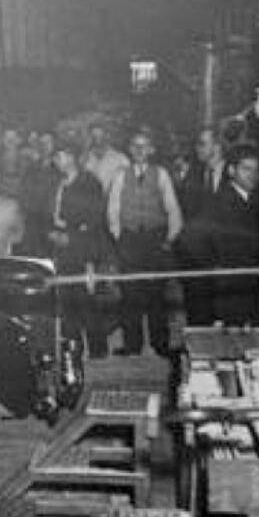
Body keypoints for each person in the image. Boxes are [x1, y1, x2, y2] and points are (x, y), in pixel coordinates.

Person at [107, 130, 183, 355]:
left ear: (151, 150)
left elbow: (172, 208)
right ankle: (132, 344)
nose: (140, 150)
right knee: (130, 294)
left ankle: (161, 343)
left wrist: (169, 238)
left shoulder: (161, 174)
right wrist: (119, 236)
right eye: (135, 146)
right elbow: (113, 209)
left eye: (144, 146)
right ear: (130, 150)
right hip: (129, 239)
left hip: (154, 238)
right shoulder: (121, 175)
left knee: (156, 293)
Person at [49, 143, 111, 359]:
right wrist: (54, 234)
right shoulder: (58, 183)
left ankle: (98, 350)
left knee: (87, 299)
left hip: (85, 251)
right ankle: (74, 349)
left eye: (62, 155)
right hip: (64, 252)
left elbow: (94, 220)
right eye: (56, 156)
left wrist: (71, 236)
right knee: (67, 301)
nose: (57, 160)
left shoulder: (89, 183)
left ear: (73, 157)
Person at [209, 145, 259, 326]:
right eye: (246, 169)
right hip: (233, 285)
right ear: (231, 170)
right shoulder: (220, 202)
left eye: (255, 169)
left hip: (254, 282)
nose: (252, 174)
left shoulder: (257, 200)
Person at [83, 124, 129, 195]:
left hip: (112, 201)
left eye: (100, 135)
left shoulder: (120, 159)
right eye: (94, 136)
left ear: (107, 136)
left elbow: (127, 184)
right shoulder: (84, 159)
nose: (97, 139)